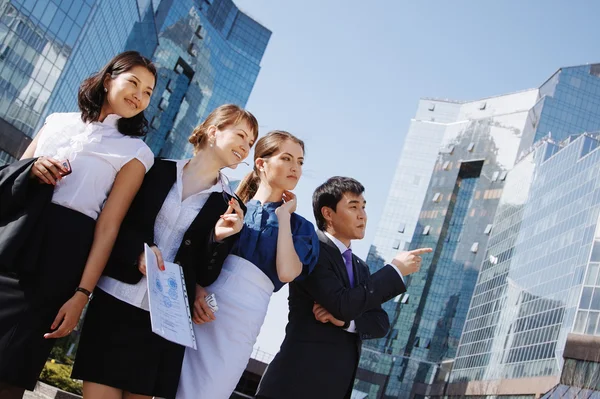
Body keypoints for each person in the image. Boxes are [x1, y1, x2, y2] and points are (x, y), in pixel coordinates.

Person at [71, 104, 258, 399]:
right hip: (115, 300)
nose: (246, 147)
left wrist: (219, 239)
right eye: (241, 136)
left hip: (166, 319)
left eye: (250, 143)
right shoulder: (155, 169)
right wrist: (138, 253)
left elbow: (207, 273)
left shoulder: (230, 206)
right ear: (213, 131)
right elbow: (117, 223)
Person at [0, 51, 157, 399]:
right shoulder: (56, 121)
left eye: (148, 92)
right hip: (12, 241)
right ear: (107, 79)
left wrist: (81, 295)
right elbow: (11, 179)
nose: (139, 96)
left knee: (11, 374)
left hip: (58, 263)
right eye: (133, 83)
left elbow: (108, 227)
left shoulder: (137, 152)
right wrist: (35, 169)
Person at [256, 176, 433, 399]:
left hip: (335, 389)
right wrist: (395, 270)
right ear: (328, 213)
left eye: (363, 207)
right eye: (353, 207)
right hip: (293, 384)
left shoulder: (361, 268)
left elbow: (379, 323)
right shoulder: (312, 249)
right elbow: (343, 303)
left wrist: (346, 322)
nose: (362, 215)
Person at [176, 131, 320, 399]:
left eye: (299, 162)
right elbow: (191, 251)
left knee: (211, 389)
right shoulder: (226, 202)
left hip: (243, 321)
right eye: (286, 158)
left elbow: (287, 272)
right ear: (261, 163)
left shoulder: (301, 227)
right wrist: (195, 289)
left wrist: (284, 217)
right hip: (198, 305)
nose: (295, 168)